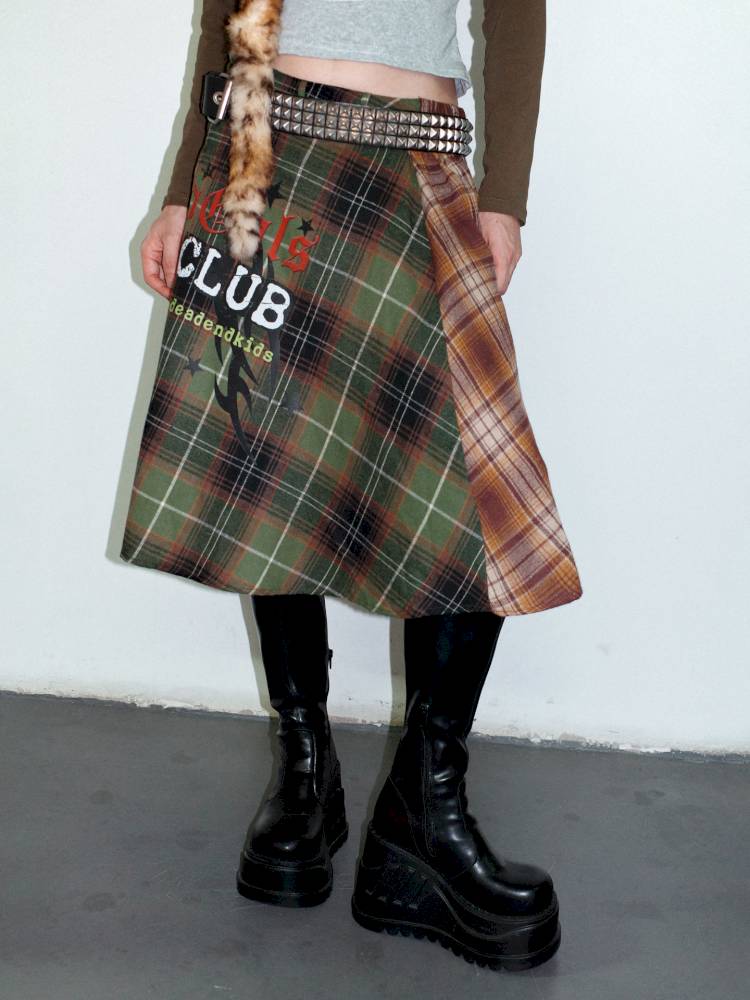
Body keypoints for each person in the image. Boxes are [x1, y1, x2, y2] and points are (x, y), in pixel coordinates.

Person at [122, 0, 582, 972]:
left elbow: (516, 12)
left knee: (477, 498)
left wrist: (505, 194)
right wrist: (183, 186)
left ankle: (424, 808)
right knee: (266, 473)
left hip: (416, 157)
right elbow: (231, 16)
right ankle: (305, 768)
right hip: (258, 155)